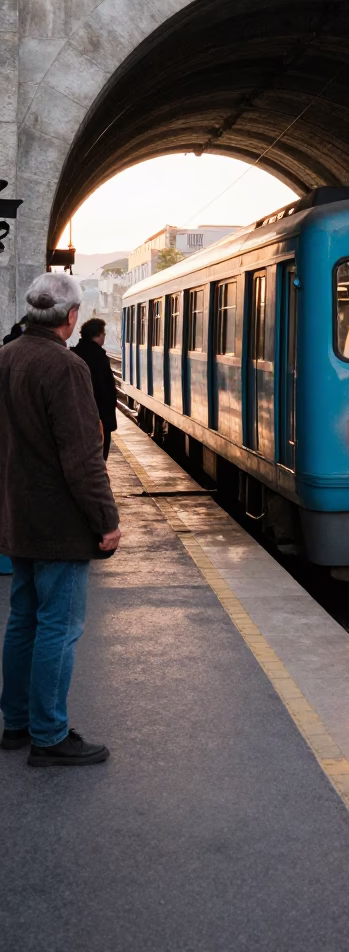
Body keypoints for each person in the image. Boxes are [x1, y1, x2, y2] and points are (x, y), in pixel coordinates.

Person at [0, 273, 122, 767]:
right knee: (60, 627)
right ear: (71, 318)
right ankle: (49, 736)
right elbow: (83, 455)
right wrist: (106, 519)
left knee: (23, 619)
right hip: (59, 523)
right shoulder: (66, 367)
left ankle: (17, 724)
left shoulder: (5, 357)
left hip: (18, 516)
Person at [71, 317, 118, 460]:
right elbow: (105, 390)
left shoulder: (74, 354)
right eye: (103, 334)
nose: (104, 337)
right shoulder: (99, 357)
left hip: (77, 418)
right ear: (97, 335)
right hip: (99, 418)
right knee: (99, 459)